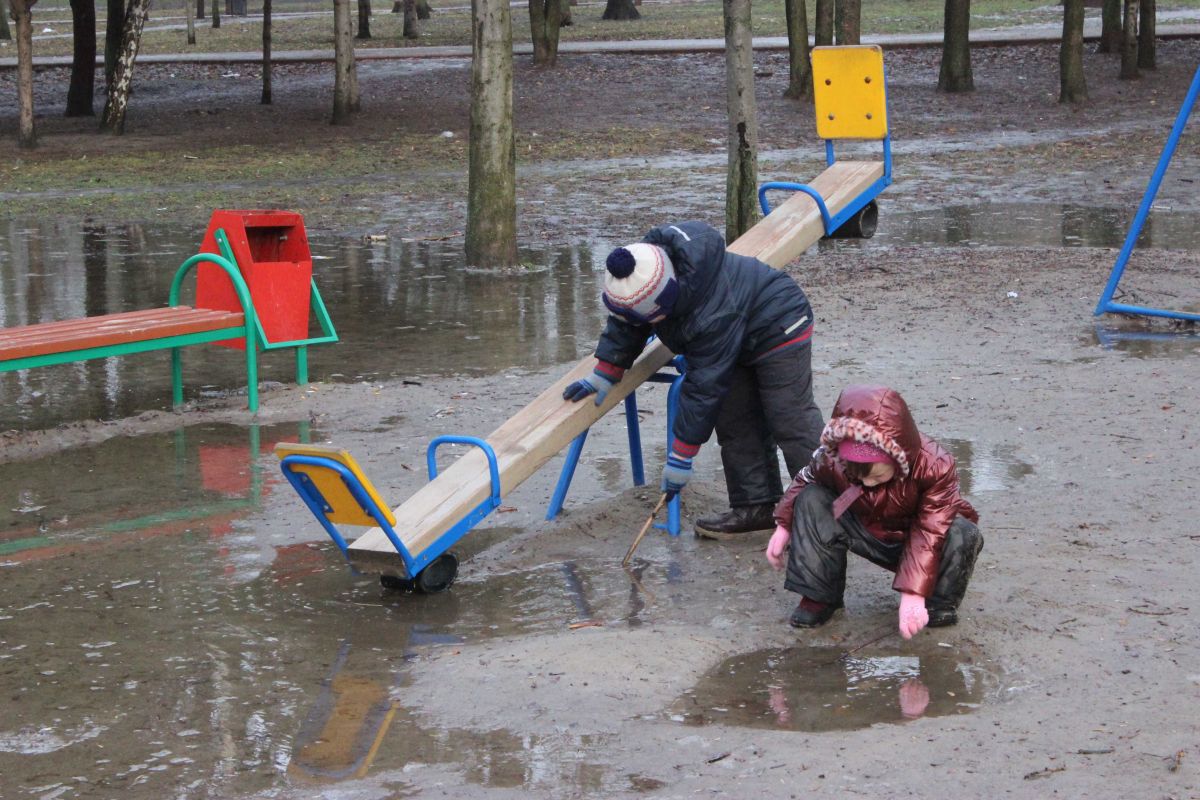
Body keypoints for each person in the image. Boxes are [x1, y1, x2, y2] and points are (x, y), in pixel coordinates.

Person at [562, 220, 824, 538]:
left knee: (789, 419)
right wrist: (606, 371)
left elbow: (703, 386)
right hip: (733, 336)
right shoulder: (641, 271)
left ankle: (825, 510)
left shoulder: (710, 312)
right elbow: (627, 321)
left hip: (779, 323)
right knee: (735, 422)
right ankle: (756, 507)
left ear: (668, 301)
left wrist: (681, 455)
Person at [766, 384, 983, 638]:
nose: (868, 483)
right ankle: (819, 596)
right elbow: (806, 478)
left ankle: (936, 604)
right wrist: (783, 526)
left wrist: (913, 594)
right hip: (864, 527)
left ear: (896, 457)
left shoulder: (935, 465)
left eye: (877, 476)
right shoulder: (832, 458)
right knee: (812, 499)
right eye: (858, 477)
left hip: (915, 540)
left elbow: (929, 530)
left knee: (961, 532)